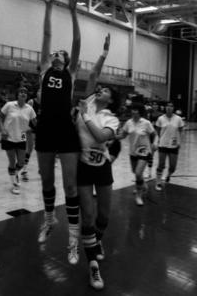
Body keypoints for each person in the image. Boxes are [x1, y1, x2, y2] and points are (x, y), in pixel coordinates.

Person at [35, 0, 81, 265]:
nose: (57, 54)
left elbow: (76, 41)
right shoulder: (43, 70)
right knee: (47, 183)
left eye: (61, 54)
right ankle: (49, 221)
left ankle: (73, 240)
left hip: (65, 131)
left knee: (70, 186)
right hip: (45, 130)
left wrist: (73, 11)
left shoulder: (71, 73)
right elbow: (46, 36)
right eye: (55, 53)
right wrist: (49, 7)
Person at [76, 34, 120, 290]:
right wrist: (103, 53)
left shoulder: (112, 119)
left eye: (105, 90)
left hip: (102, 168)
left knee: (104, 215)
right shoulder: (90, 100)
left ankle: (96, 241)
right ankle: (93, 266)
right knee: (89, 217)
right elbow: (93, 74)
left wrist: (85, 116)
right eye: (99, 89)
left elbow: (101, 136)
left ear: (111, 99)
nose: (100, 89)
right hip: (83, 166)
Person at [0, 87, 36, 194]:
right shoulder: (9, 105)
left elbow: (35, 123)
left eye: (25, 92)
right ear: (17, 95)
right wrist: (3, 129)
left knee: (22, 162)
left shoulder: (30, 108)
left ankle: (15, 174)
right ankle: (15, 184)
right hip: (8, 137)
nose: (23, 93)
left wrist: (33, 129)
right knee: (12, 162)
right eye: (21, 92)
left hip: (21, 138)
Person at [118, 103, 157, 206]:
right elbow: (122, 135)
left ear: (140, 112)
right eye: (133, 110)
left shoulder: (146, 123)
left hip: (144, 151)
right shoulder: (128, 123)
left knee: (138, 173)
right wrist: (112, 136)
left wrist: (155, 143)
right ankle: (143, 184)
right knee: (134, 172)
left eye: (136, 110)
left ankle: (139, 196)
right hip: (133, 151)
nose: (134, 111)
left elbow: (154, 134)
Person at [155, 101, 184, 191]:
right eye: (167, 106)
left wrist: (179, 142)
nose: (169, 108)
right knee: (161, 164)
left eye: (171, 106)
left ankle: (168, 175)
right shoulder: (160, 118)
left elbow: (180, 131)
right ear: (165, 108)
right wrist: (157, 141)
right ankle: (158, 182)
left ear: (173, 108)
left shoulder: (178, 119)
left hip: (173, 145)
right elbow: (158, 131)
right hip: (163, 144)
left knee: (172, 167)